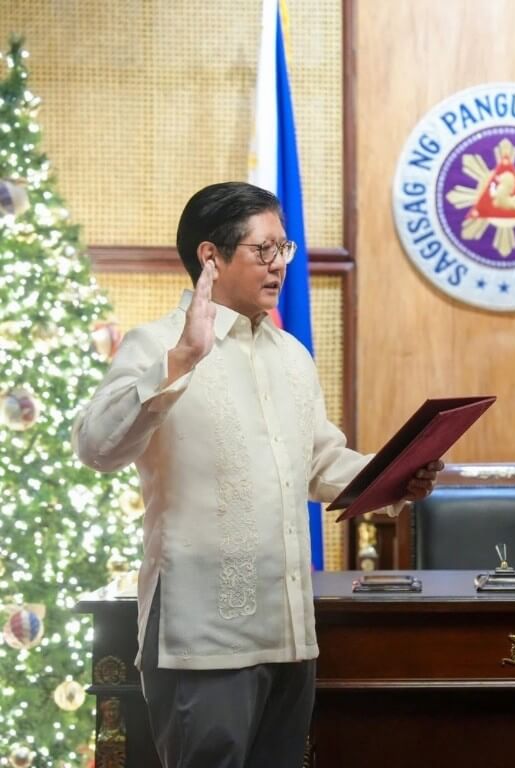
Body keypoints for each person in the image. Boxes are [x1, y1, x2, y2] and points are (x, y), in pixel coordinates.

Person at [73, 181, 441, 768]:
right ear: (210, 258)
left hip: (289, 632)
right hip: (201, 639)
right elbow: (96, 446)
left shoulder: (291, 356)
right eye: (263, 251)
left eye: (283, 249)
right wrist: (179, 364)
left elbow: (319, 463)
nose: (279, 267)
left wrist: (396, 477)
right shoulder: (157, 344)